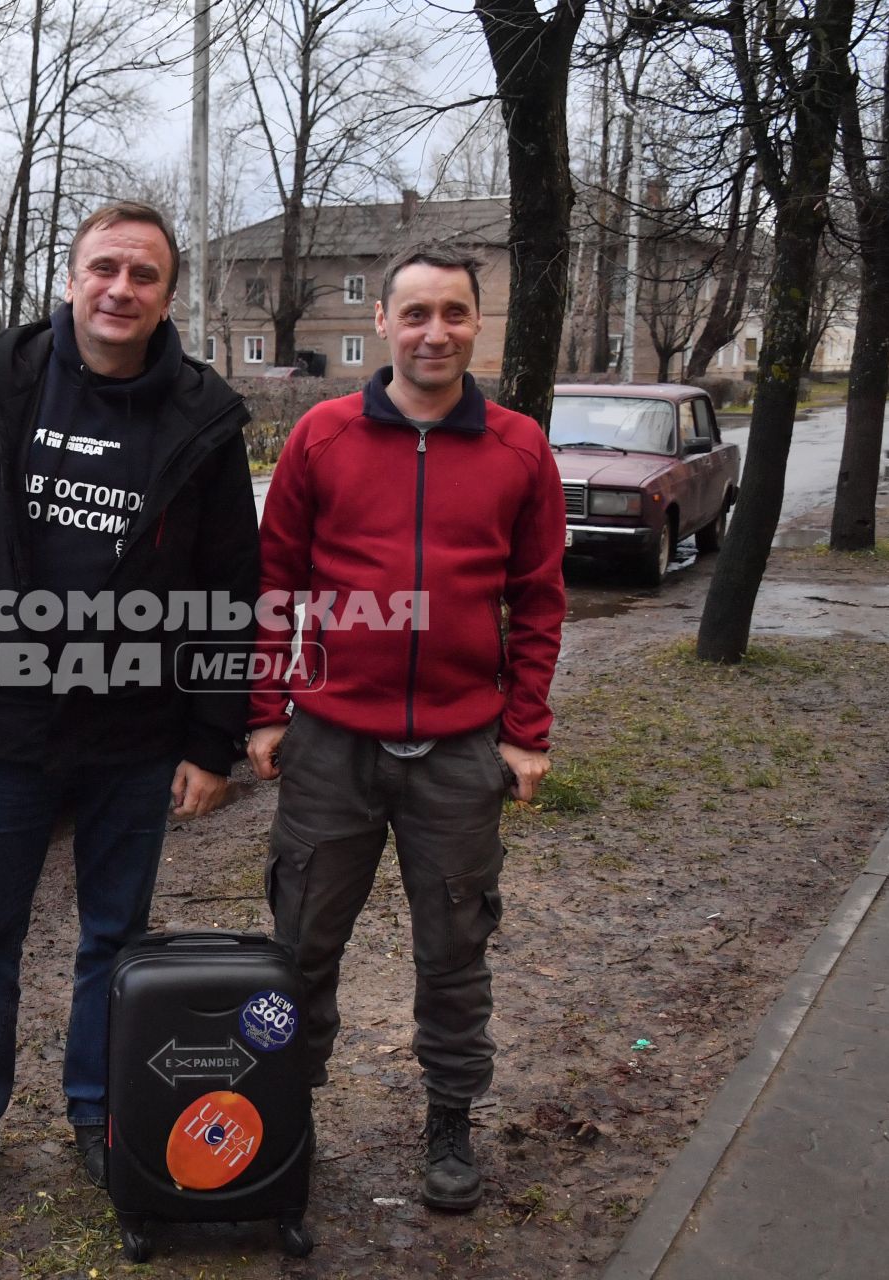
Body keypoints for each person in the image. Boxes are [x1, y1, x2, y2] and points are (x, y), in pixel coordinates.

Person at [0, 200, 259, 1207]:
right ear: (69, 279)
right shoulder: (2, 380)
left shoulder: (203, 414)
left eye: (143, 275)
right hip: (1, 723)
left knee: (114, 938)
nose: (120, 289)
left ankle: (98, 1114)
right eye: (104, 268)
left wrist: (211, 738)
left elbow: (231, 590)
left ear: (167, 296)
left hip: (135, 736)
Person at [246, 245, 565, 1212]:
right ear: (382, 323)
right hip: (331, 749)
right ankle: (281, 1120)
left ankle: (450, 1123)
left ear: (478, 324)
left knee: (456, 951)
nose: (436, 331)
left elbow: (539, 600)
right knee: (299, 949)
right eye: (416, 312)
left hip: (462, 756)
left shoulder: (518, 448)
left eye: (455, 314)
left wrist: (525, 730)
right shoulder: (322, 436)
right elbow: (276, 584)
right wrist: (268, 711)